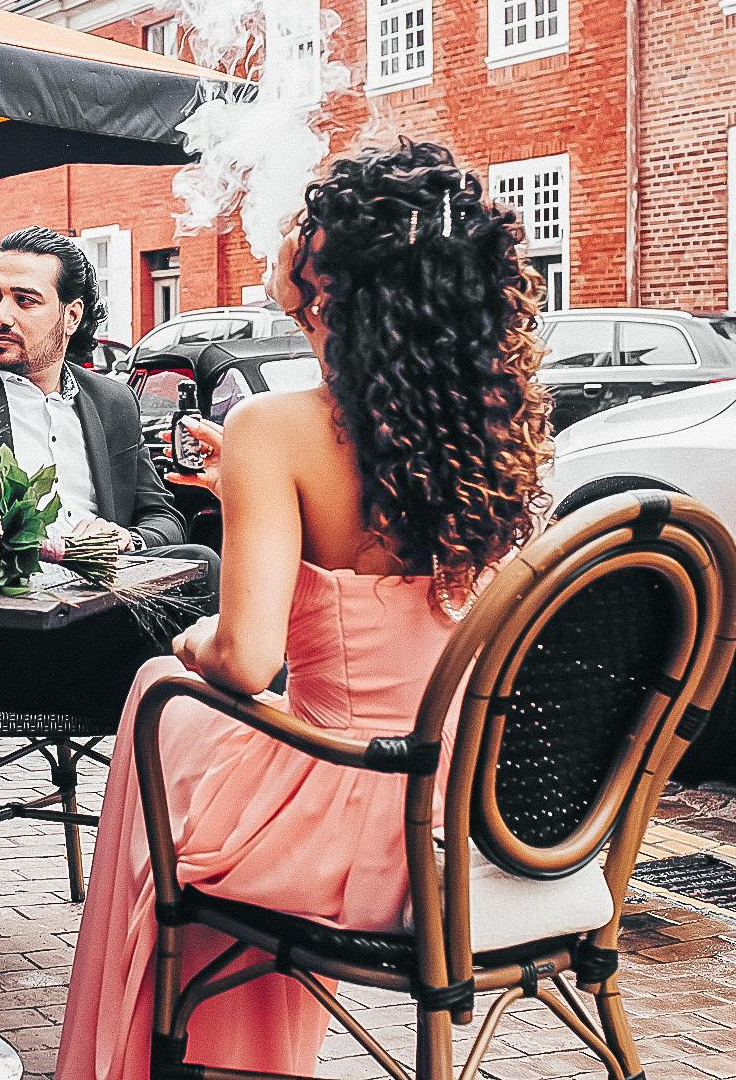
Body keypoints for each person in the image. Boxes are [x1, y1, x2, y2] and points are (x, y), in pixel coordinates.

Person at [54, 141, 552, 1080]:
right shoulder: (491, 423)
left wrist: (197, 633)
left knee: (164, 691)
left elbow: (247, 659)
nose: (298, 335)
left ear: (350, 305)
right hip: (490, 824)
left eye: (302, 309)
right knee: (197, 753)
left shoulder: (275, 428)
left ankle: (176, 1057)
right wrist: (247, 483)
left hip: (362, 822)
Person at [0, 226, 217, 721]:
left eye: (24, 301)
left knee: (201, 566)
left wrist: (124, 540)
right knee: (210, 619)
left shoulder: (111, 402)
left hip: (100, 627)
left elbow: (161, 515)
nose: (0, 316)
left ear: (71, 316)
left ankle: (236, 769)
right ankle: (281, 761)